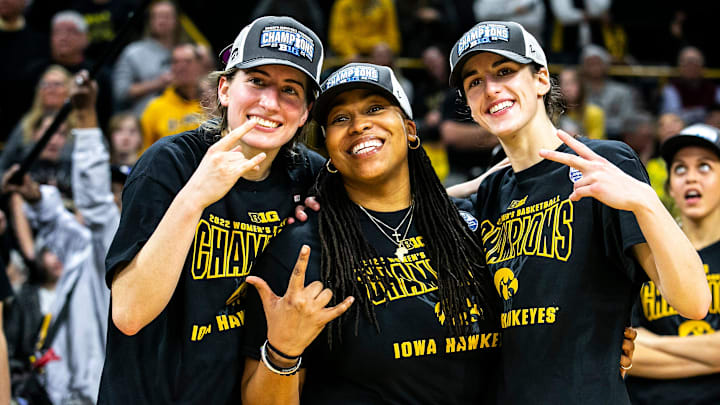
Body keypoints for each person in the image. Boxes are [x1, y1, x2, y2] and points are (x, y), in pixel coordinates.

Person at [447, 20, 709, 403]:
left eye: (504, 71)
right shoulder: (488, 194)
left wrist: (646, 202)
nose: (491, 89)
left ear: (540, 80)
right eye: (474, 82)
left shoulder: (603, 162)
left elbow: (693, 302)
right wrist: (471, 184)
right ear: (470, 104)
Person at [240, 62, 501, 404]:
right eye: (339, 119)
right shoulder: (302, 250)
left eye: (375, 108)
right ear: (329, 150)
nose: (359, 124)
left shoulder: (468, 228)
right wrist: (282, 353)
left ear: (409, 130)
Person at [98, 16, 325, 404]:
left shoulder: (311, 175)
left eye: (290, 90)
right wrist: (195, 196)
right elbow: (129, 313)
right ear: (224, 89)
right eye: (256, 81)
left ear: (304, 113)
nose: (269, 103)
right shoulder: (168, 164)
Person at [626, 123, 720, 404]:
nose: (691, 178)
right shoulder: (647, 252)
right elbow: (625, 350)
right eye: (680, 169)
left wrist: (653, 345)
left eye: (704, 167)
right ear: (669, 186)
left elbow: (639, 349)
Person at [112, 0, 181, 116]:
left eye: (167, 16)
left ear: (176, 20)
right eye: (158, 16)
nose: (163, 21)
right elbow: (120, 92)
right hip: (143, 119)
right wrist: (158, 83)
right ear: (150, 21)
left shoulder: (187, 51)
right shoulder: (133, 52)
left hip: (182, 120)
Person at [139, 42, 204, 152]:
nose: (181, 67)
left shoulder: (214, 102)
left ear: (199, 66)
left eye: (188, 61)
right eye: (175, 62)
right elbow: (143, 152)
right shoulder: (155, 108)